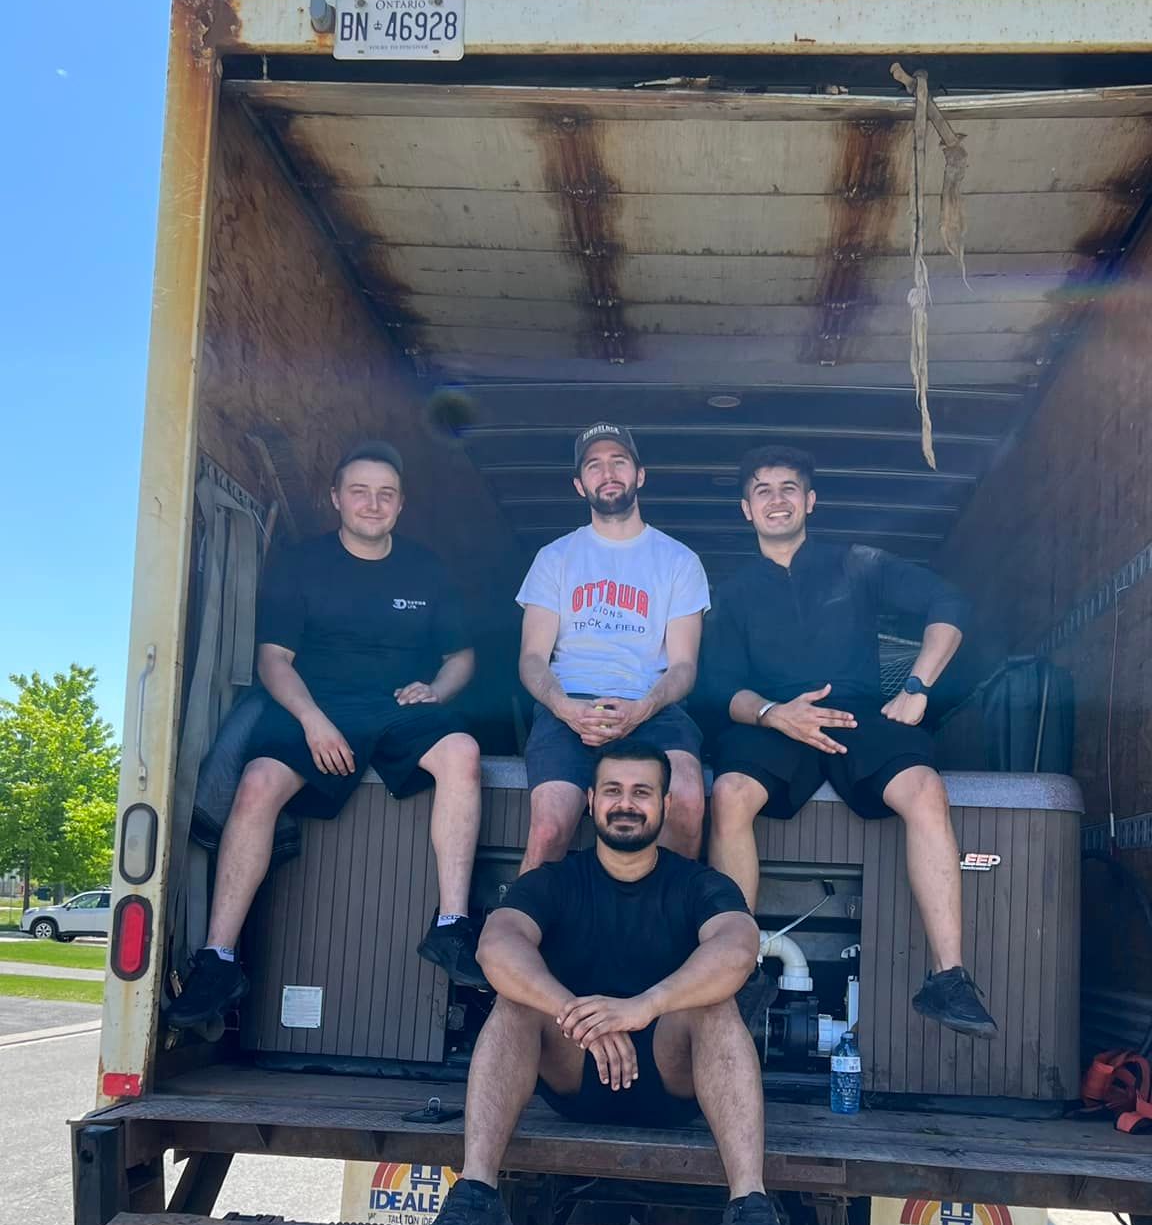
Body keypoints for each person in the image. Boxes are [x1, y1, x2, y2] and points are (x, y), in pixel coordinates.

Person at [402, 744, 808, 1225]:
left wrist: (643, 1006)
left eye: (642, 792)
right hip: (575, 1071)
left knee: (715, 1001)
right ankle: (475, 1196)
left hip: (673, 1079)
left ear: (665, 805)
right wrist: (578, 1014)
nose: (626, 804)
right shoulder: (553, 881)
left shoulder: (698, 884)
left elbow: (738, 950)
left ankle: (751, 1211)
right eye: (613, 791)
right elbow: (497, 946)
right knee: (515, 1001)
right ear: (590, 802)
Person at [166, 441, 486, 1027]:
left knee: (462, 751)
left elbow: (461, 656)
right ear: (335, 498)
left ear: (401, 505)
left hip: (396, 707)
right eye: (360, 491)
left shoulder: (425, 569)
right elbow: (274, 660)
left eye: (385, 494)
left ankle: (452, 925)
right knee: (258, 781)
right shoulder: (302, 564)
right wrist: (312, 721)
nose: (373, 503)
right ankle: (217, 957)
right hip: (313, 703)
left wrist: (437, 690)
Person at [701, 445, 996, 1040]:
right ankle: (739, 968)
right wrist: (771, 713)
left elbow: (949, 602)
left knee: (924, 787)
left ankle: (949, 978)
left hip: (860, 712)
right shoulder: (729, 594)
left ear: (810, 501)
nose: (776, 499)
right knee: (730, 792)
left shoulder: (858, 563)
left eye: (789, 488)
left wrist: (917, 686)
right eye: (763, 490)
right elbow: (716, 690)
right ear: (745, 509)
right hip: (774, 717)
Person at [515, 422, 710, 869]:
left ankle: (669, 931)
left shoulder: (678, 560)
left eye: (619, 461)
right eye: (594, 465)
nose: (608, 473)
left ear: (640, 475)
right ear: (579, 484)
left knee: (684, 805)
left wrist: (642, 708)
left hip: (652, 708)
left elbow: (683, 667)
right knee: (549, 827)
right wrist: (565, 708)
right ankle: (514, 936)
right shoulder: (554, 558)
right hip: (569, 706)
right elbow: (531, 659)